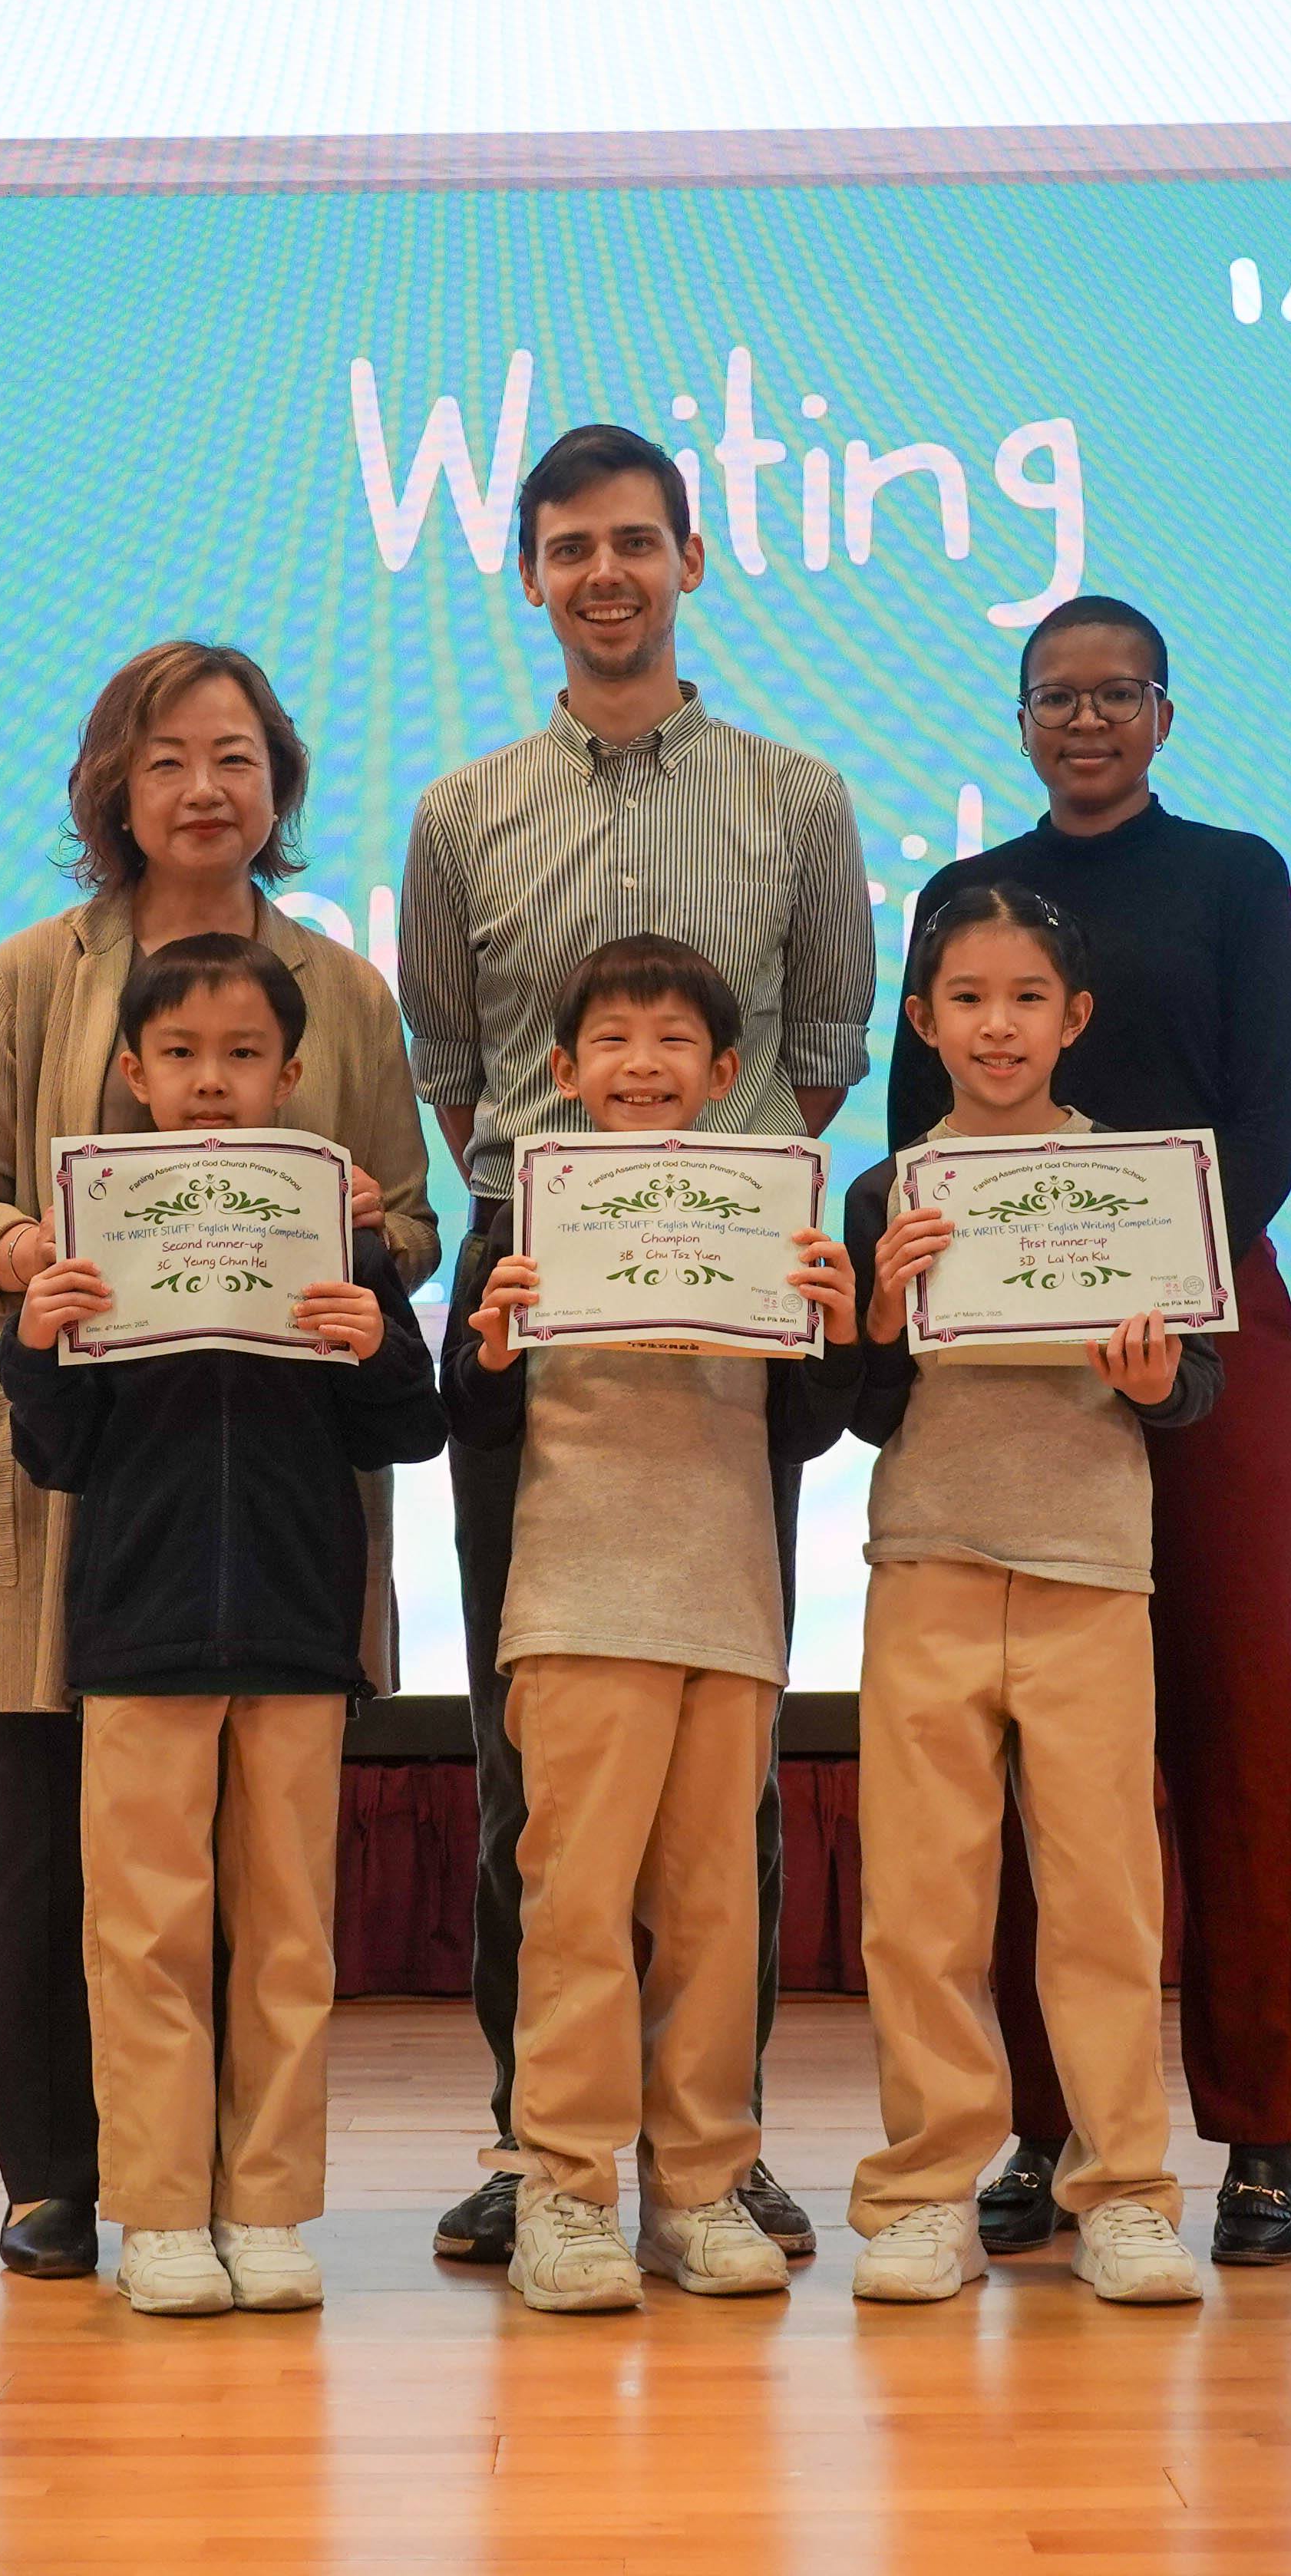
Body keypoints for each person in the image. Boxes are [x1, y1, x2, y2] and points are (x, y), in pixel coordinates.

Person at [0, 642, 437, 2285]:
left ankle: (239, 2193)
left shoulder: (343, 992)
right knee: (53, 1845)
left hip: (272, 1492)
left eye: (235, 757)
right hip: (72, 1469)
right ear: (112, 792)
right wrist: (23, 1259)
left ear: (277, 784)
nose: (204, 788)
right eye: (166, 761)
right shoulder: (30, 974)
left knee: (265, 1880)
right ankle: (65, 2178)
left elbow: (412, 1220)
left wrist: (366, 1234)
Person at [398, 424, 877, 2266]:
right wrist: (568, 1217)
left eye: (633, 542)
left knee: (717, 1741)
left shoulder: (795, 800)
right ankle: (543, 2150)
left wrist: (702, 1208)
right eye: (567, 548)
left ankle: (708, 2151)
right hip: (529, 1290)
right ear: (529, 576)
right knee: (531, 1743)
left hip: (737, 1304)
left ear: (688, 557)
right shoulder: (459, 816)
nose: (603, 574)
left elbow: (818, 1042)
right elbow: (456, 1067)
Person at [886, 594, 1291, 2269]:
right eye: (1054, 696)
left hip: (1197, 1325)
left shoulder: (1233, 876)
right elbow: (917, 1143)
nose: (1085, 719)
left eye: (1116, 693)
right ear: (1018, 719)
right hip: (1008, 1360)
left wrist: (1157, 1278)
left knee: (1227, 1731)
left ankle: (1256, 2137)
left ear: (1163, 714)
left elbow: (1269, 1119)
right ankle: (1044, 2124)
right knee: (1024, 1762)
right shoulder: (967, 894)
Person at [0, 933, 448, 2315]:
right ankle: (157, 2213)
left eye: (244, 1054)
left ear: (291, 1075)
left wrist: (371, 1333)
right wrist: (35, 1338)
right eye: (181, 1055)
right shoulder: (97, 1231)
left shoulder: (342, 1234)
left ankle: (265, 2207)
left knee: (288, 1935)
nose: (211, 1080)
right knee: (144, 1935)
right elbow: (60, 1454)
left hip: (300, 1629)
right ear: (133, 1074)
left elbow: (410, 1426)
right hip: (137, 1630)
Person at [441, 933, 862, 2312]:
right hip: (576, 1600)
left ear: (726, 1071)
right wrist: (490, 1345)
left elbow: (803, 1430)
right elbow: (470, 1419)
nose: (643, 1063)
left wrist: (833, 1331)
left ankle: (698, 2189)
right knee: (572, 1908)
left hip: (725, 1600)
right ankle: (564, 2192)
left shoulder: (773, 1218)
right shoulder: (520, 1220)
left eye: (675, 1040)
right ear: (563, 1070)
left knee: (713, 1912)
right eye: (613, 1041)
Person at [838, 885, 1215, 2310]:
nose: (998, 1026)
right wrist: (880, 1318)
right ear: (923, 1022)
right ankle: (925, 2196)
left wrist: (1157, 1381)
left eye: (1028, 999)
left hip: (1090, 1573)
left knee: (1105, 1900)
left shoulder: (1139, 1181)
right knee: (921, 1907)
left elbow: (1197, 1385)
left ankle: (1125, 2193)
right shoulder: (887, 1193)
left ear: (1076, 1018)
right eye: (969, 999)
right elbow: (862, 1409)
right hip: (929, 1564)